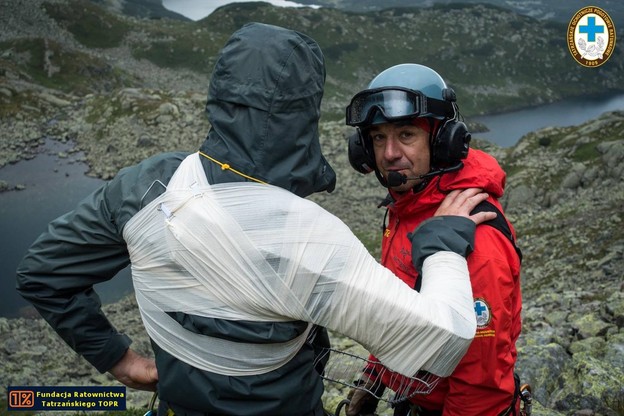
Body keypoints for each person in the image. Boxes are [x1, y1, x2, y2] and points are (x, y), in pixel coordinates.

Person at [16, 25, 496, 416]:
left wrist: (117, 359)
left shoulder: (146, 185)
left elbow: (42, 273)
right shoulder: (313, 239)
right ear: (303, 117)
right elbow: (444, 339)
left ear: (221, 93)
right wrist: (442, 245)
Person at [344, 63, 523, 416]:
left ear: (443, 141)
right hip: (412, 396)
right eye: (379, 137)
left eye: (406, 134)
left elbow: (480, 388)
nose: (389, 152)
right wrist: (374, 376)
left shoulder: (475, 237)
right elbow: (402, 307)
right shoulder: (407, 208)